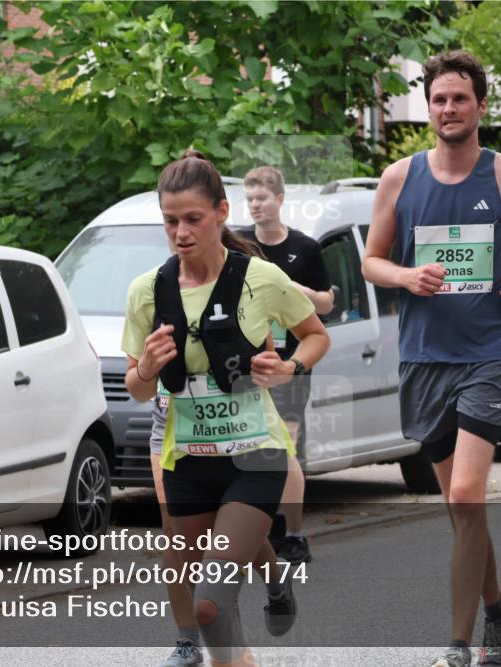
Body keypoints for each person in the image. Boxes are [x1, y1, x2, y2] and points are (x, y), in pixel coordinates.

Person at [362, 51, 501, 667]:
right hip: (426, 358)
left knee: (469, 493)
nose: (448, 109)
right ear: (428, 109)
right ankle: (499, 612)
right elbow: (372, 260)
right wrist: (405, 275)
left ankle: (459, 644)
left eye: (459, 99)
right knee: (461, 509)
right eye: (439, 100)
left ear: (480, 105)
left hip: (490, 353)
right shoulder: (398, 177)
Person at [123, 150, 330, 666]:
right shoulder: (148, 291)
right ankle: (257, 603)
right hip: (189, 460)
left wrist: (290, 368)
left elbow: (314, 337)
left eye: (193, 219)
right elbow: (138, 388)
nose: (181, 232)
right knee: (195, 588)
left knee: (211, 604)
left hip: (255, 455)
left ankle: (257, 594)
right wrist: (146, 369)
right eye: (170, 221)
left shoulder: (260, 278)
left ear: (220, 211)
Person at [238, 165, 335, 565]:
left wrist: (298, 292)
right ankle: (264, 528)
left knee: (284, 446)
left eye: (262, 198)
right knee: (251, 449)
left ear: (280, 200)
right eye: (250, 199)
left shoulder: (305, 248)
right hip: (249, 363)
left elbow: (329, 302)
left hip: (291, 361)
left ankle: (294, 533)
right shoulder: (238, 244)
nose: (256, 206)